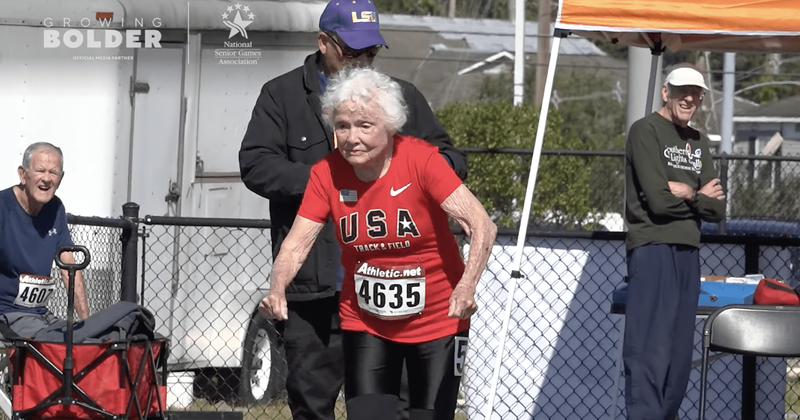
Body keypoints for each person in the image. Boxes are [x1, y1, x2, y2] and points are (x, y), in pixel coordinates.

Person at [239, 0, 467, 418]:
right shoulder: (283, 95)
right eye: (352, 51)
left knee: (394, 409)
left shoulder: (402, 97)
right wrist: (328, 184)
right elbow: (256, 165)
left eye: (371, 52)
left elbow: (451, 159)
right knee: (312, 404)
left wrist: (416, 175)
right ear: (323, 43)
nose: (363, 61)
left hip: (393, 292)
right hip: (317, 289)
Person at [258, 66, 495, 420]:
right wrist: (277, 288)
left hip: (437, 320)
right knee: (369, 414)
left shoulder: (421, 160)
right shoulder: (326, 173)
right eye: (342, 126)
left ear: (390, 125)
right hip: (367, 321)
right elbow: (296, 244)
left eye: (364, 126)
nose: (352, 137)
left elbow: (481, 225)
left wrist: (466, 287)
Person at [623, 65, 725, 420]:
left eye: (696, 93)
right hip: (652, 247)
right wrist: (699, 199)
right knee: (650, 349)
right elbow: (657, 200)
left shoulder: (697, 141)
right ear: (665, 92)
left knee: (679, 355)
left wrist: (690, 194)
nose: (689, 98)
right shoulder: (645, 131)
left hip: (688, 252)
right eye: (682, 91)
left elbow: (718, 210)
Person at [0, 142, 89, 338]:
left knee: (84, 339)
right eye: (40, 170)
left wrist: (87, 323)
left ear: (61, 178)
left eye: (54, 172)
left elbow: (69, 269)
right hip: (7, 314)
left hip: (40, 314)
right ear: (23, 175)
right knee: (54, 344)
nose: (47, 179)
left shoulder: (55, 208)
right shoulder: (3, 207)